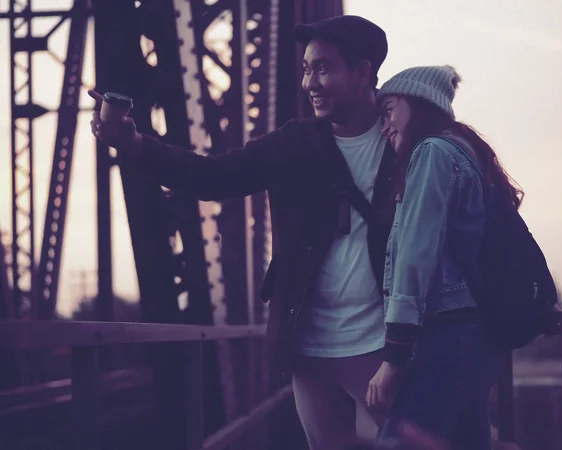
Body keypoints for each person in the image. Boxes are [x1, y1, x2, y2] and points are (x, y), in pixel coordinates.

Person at [90, 15, 399, 449]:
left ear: (364, 72)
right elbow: (213, 175)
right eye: (306, 68)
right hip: (309, 348)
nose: (309, 81)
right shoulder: (295, 143)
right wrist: (137, 145)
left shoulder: (405, 141)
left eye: (324, 68)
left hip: (382, 350)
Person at [365, 65, 521, 449]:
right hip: (476, 337)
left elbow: (416, 258)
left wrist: (394, 356)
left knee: (398, 442)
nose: (384, 126)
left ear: (417, 104)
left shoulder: (432, 153)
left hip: (449, 336)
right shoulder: (465, 152)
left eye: (389, 111)